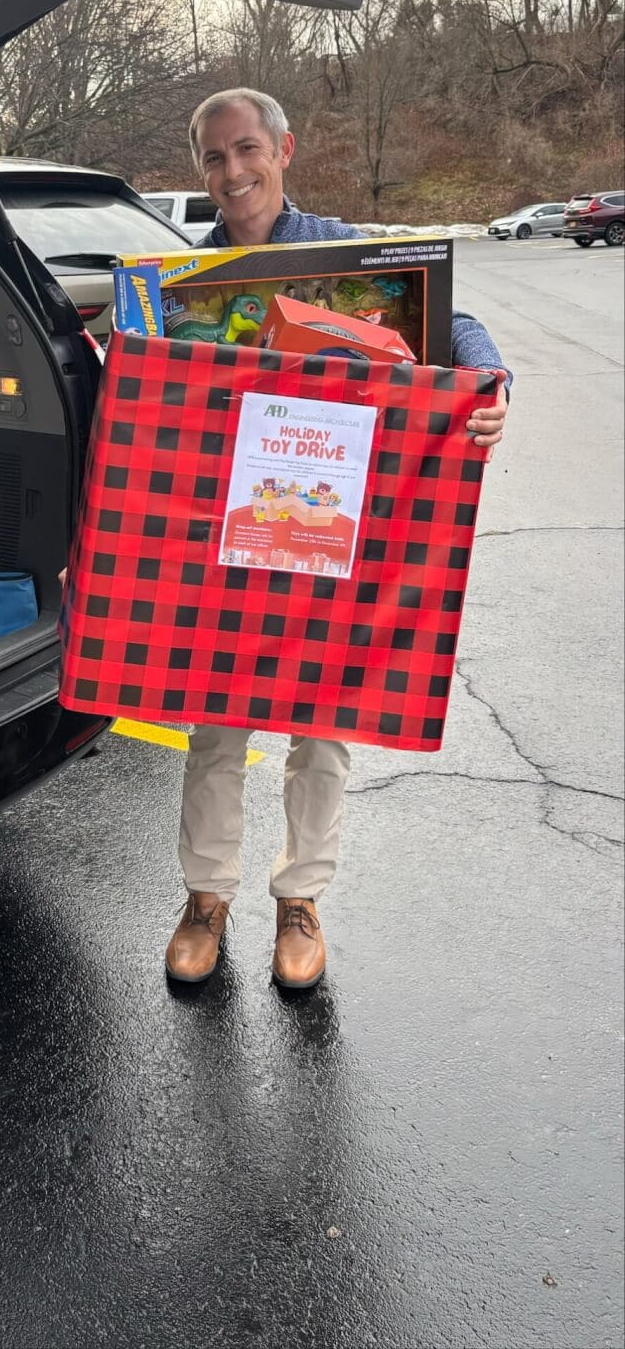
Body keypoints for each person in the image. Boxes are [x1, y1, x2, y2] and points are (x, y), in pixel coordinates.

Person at [163, 89, 509, 990]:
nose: (232, 173)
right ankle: (207, 899)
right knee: (216, 713)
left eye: (245, 150)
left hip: (332, 516)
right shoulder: (184, 282)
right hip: (233, 529)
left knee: (321, 720)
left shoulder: (347, 255)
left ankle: (300, 899)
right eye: (212, 158)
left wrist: (489, 381)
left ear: (283, 149)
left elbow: (451, 324)